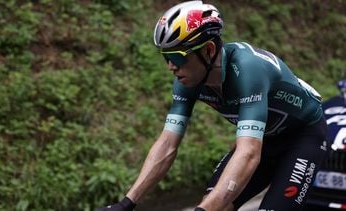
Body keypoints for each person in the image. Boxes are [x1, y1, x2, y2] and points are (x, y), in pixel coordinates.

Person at [97, 1, 328, 210]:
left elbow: (248, 152)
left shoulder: (248, 70)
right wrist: (126, 203)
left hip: (303, 138)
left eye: (176, 57)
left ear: (208, 50)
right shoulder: (187, 82)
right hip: (265, 139)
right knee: (216, 204)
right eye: (164, 57)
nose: (170, 67)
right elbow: (167, 145)